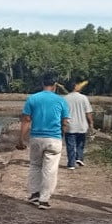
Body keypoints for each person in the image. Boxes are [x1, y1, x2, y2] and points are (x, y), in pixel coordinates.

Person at [16, 72, 70, 209]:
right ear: (55, 85)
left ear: (42, 84)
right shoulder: (61, 101)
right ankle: (44, 200)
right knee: (50, 170)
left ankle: (34, 194)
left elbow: (26, 120)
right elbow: (65, 122)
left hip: (36, 138)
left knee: (35, 166)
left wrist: (21, 139)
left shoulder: (32, 99)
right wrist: (62, 136)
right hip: (54, 138)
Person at [63, 77, 94, 169]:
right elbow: (88, 112)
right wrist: (91, 124)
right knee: (80, 143)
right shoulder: (83, 98)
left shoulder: (65, 99)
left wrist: (62, 125)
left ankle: (71, 163)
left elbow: (62, 114)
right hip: (82, 125)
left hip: (70, 125)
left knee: (70, 145)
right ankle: (79, 157)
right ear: (75, 87)